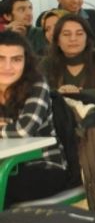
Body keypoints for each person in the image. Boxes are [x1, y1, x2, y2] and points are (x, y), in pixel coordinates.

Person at [0, 32, 74, 207]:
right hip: (6, 166)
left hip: (44, 167)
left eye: (16, 59)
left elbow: (24, 129)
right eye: (1, 59)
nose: (7, 67)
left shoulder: (37, 84)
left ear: (26, 62)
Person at [38, 13, 95, 100]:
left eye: (79, 34)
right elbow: (37, 92)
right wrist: (58, 93)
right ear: (57, 41)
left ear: (87, 38)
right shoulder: (47, 63)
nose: (73, 39)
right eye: (66, 34)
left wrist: (79, 93)